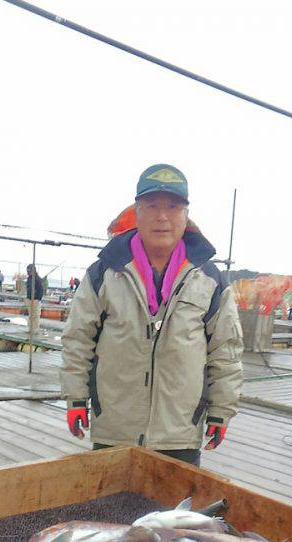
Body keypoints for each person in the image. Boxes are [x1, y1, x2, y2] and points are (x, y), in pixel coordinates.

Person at [60, 163, 243, 467]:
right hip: (115, 428)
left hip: (180, 433)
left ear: (186, 215)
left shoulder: (211, 279)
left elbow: (226, 350)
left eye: (173, 207)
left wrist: (221, 411)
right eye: (152, 206)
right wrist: (76, 398)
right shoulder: (103, 273)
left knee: (176, 500)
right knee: (111, 499)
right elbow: (78, 340)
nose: (162, 216)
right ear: (137, 212)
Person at [26, 263, 44, 336]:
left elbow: (41, 290)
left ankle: (35, 329)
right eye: (27, 271)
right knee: (31, 315)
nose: (28, 272)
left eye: (29, 271)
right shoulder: (29, 278)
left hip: (36, 299)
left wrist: (38, 298)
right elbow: (28, 287)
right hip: (29, 299)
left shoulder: (38, 279)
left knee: (36, 315)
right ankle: (30, 328)